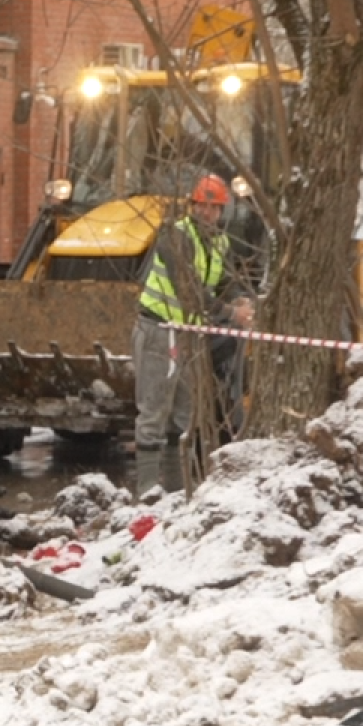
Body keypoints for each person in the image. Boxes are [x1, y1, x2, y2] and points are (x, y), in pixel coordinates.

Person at [132, 173, 254, 498]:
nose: (208, 213)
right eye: (203, 206)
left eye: (215, 208)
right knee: (154, 408)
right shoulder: (175, 237)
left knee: (183, 413)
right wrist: (232, 314)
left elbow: (227, 280)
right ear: (193, 205)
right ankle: (146, 488)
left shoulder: (219, 242)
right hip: (159, 329)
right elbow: (190, 292)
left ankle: (175, 487)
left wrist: (242, 298)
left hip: (187, 334)